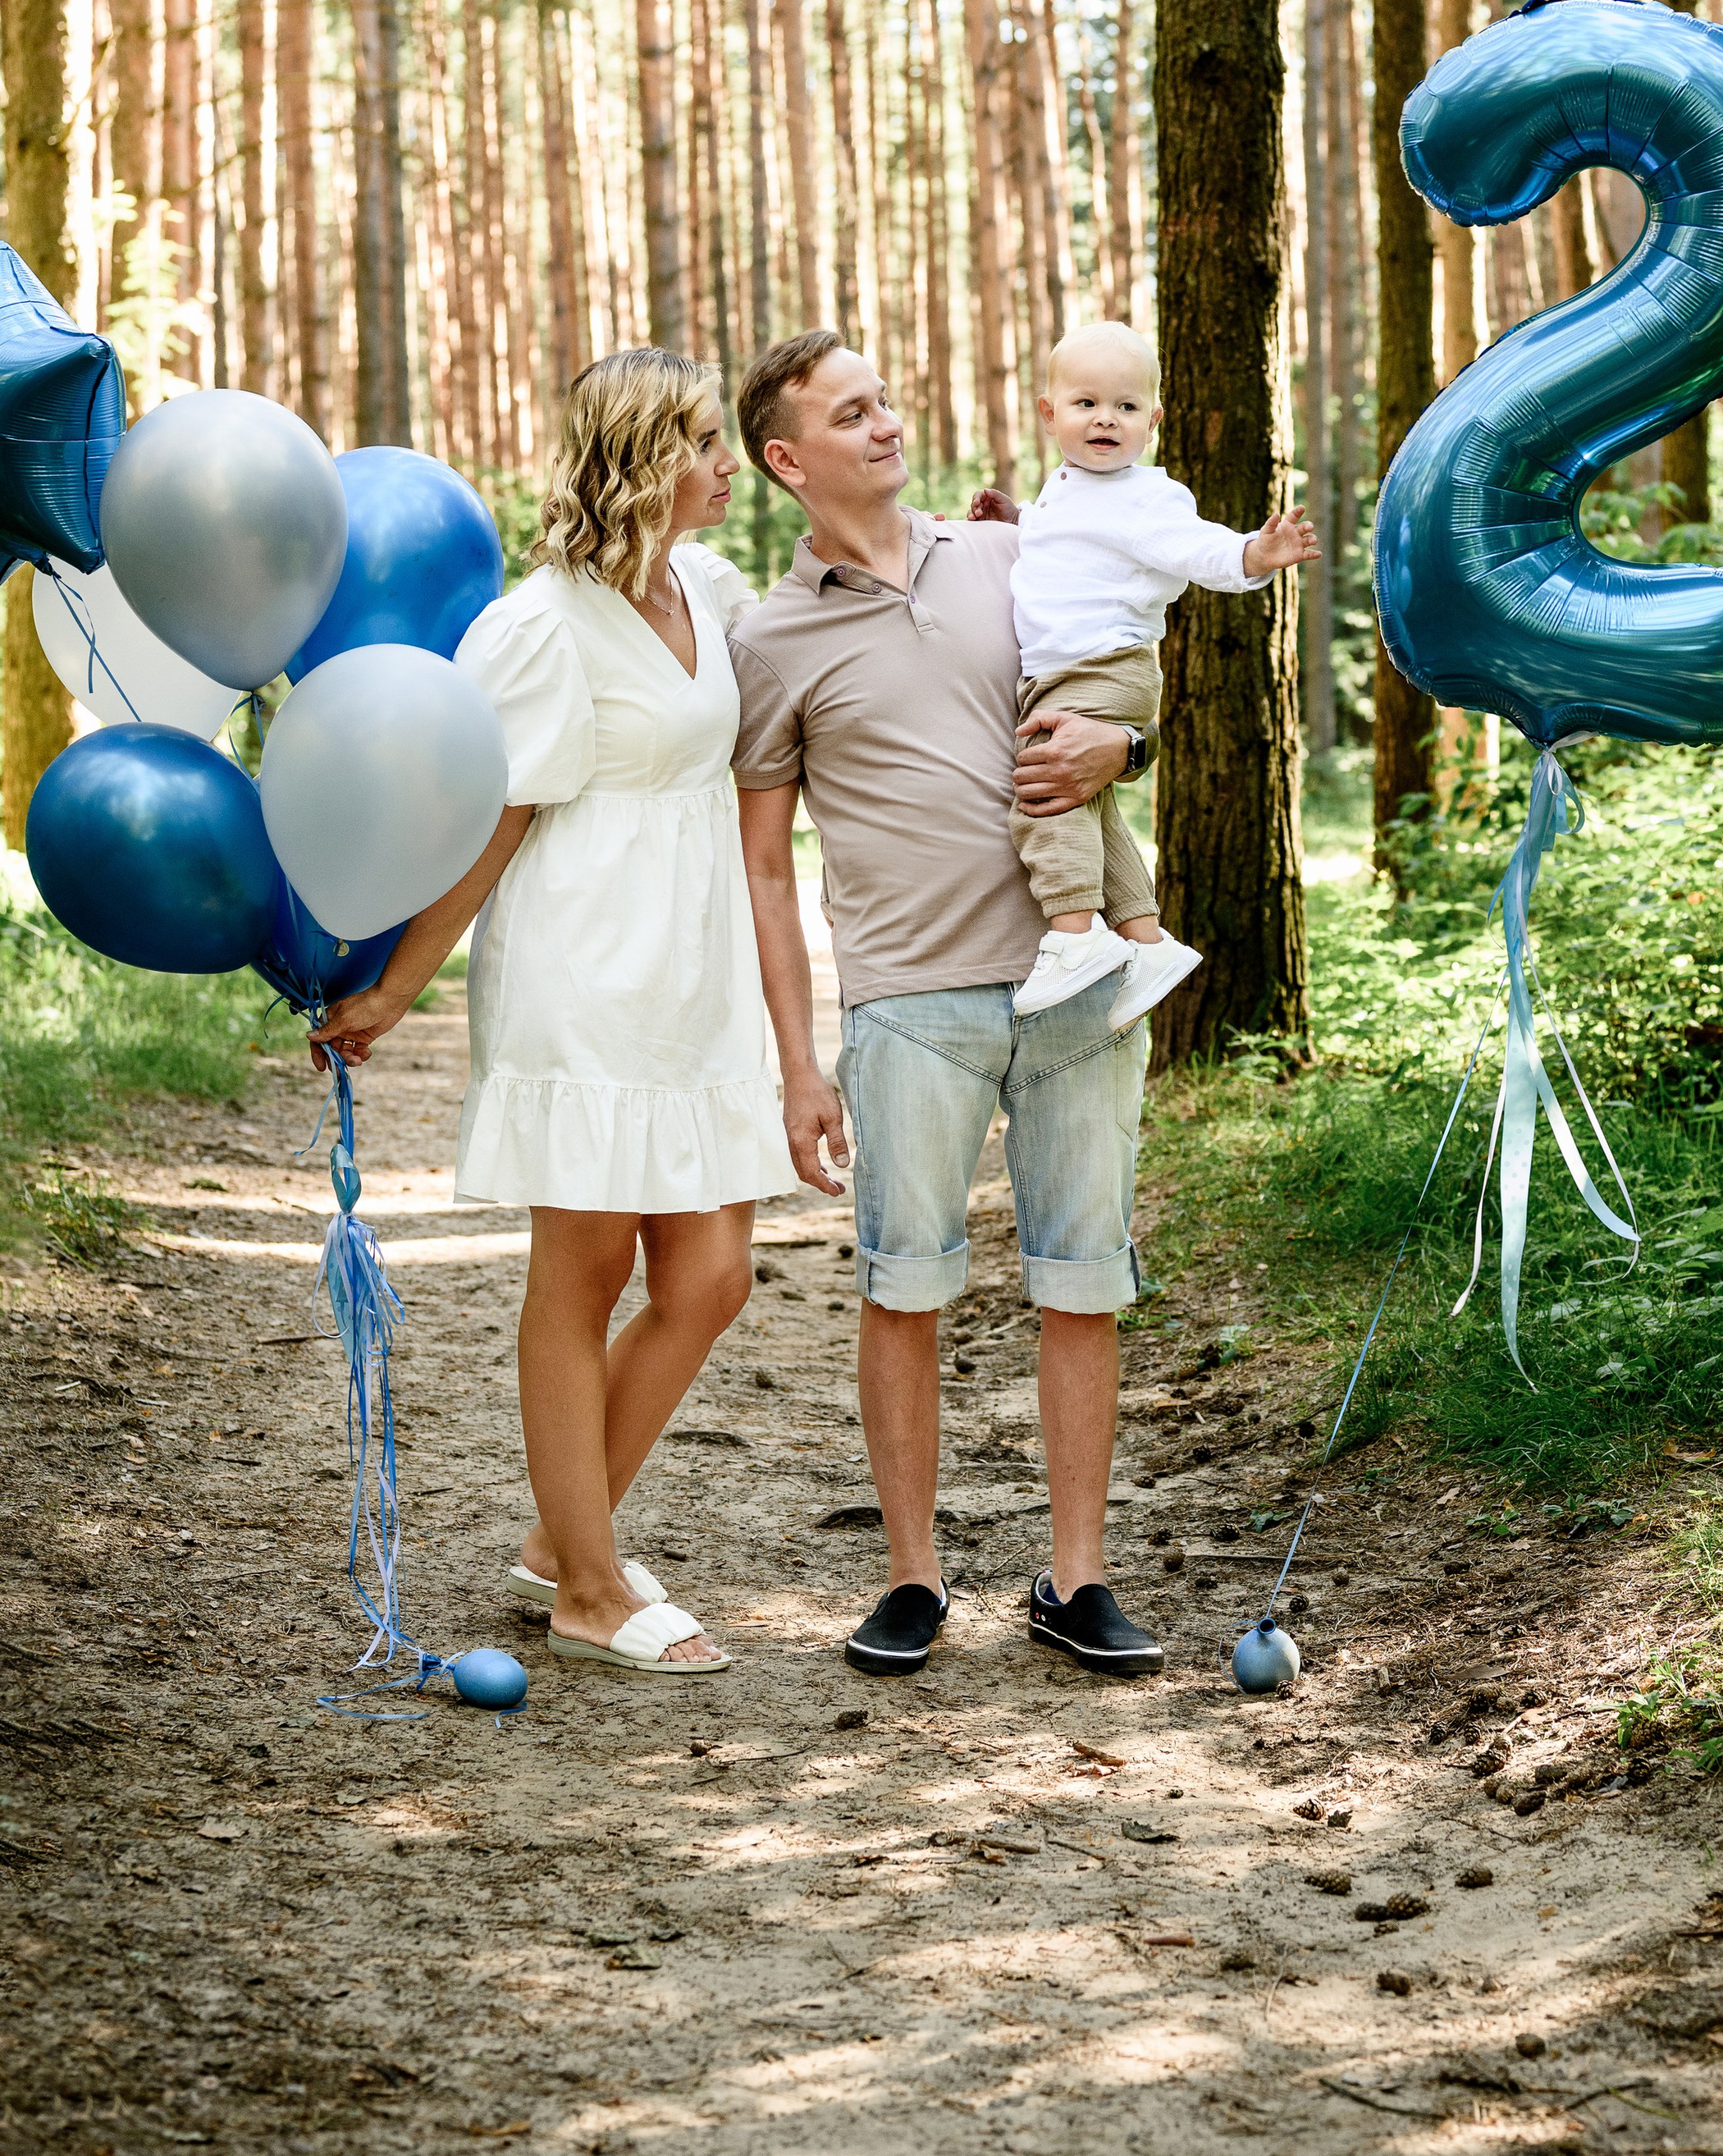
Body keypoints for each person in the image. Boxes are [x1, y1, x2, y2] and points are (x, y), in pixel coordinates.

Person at [310, 348, 795, 1678]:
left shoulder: (709, 584)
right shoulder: (540, 625)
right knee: (578, 1280)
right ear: (637, 459)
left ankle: (554, 1540)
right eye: (698, 440)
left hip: (697, 984)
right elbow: (489, 822)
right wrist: (397, 989)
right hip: (584, 980)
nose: (721, 462)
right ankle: (587, 1584)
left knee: (711, 1278)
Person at [729, 329, 1164, 1681]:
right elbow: (760, 860)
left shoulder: (1010, 550)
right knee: (904, 1285)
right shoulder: (770, 636)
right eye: (850, 413)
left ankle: (1076, 1578)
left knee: (1083, 1281)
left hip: (1074, 977)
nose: (885, 422)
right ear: (789, 459)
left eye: (886, 396)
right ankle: (913, 1576)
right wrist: (800, 1064)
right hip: (909, 999)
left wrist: (1127, 742)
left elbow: (1119, 674)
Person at [1003, 318, 1319, 1028]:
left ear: (1153, 419)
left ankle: (1076, 937)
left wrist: (1250, 555)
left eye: (1125, 406)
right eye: (1086, 404)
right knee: (1089, 805)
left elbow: (1194, 547)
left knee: (1045, 795)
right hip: (1071, 669)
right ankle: (1147, 943)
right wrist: (1016, 519)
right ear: (1050, 413)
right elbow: (1073, 549)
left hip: (1101, 665)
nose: (1105, 419)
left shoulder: (1148, 495)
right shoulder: (1067, 488)